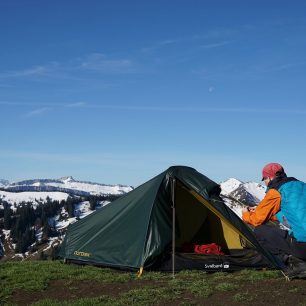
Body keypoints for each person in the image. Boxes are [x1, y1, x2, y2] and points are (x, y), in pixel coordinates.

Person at [242, 162, 306, 279]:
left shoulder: (275, 191)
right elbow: (291, 215)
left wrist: (246, 214)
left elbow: (257, 220)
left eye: (264, 179)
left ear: (270, 177)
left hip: (303, 246)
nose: (265, 183)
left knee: (260, 231)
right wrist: (270, 213)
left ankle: (298, 264)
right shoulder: (302, 185)